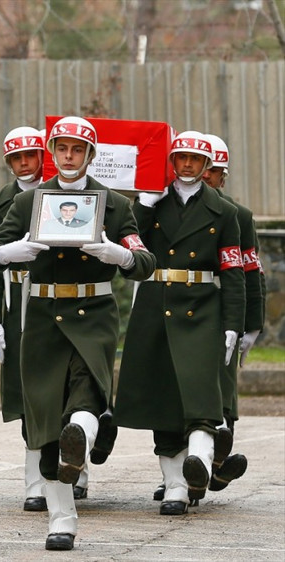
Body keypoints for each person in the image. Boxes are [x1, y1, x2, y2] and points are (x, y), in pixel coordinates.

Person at [0, 116, 155, 550]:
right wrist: (8, 252)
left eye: (77, 150)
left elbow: (145, 262)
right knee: (43, 421)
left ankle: (82, 439)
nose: (69, 157)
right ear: (52, 153)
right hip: (41, 315)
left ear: (90, 154)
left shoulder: (113, 203)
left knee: (87, 393)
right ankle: (61, 518)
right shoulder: (28, 202)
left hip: (93, 312)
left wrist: (119, 254)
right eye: (62, 149)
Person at [115, 130, 245, 516]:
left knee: (203, 398)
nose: (187, 165)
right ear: (171, 162)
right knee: (163, 400)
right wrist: (144, 204)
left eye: (195, 160)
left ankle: (201, 464)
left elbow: (234, 272)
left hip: (203, 307)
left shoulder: (226, 212)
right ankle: (174, 486)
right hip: (156, 304)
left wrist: (233, 325)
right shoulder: (153, 204)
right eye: (181, 158)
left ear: (208, 166)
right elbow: (126, 245)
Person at [0, 126, 46, 512]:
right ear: (8, 163)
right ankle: (34, 482)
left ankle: (77, 468)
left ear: (42, 157)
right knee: (26, 396)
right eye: (16, 158)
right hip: (13, 298)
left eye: (30, 155)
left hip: (52, 297)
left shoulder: (59, 194)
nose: (24, 163)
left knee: (63, 389)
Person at [200, 133, 264, 492]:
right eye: (203, 168)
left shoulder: (238, 215)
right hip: (184, 310)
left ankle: (217, 462)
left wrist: (250, 325)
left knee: (223, 388)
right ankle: (188, 471)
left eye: (214, 171)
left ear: (223, 176)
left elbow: (251, 271)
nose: (206, 175)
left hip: (226, 309)